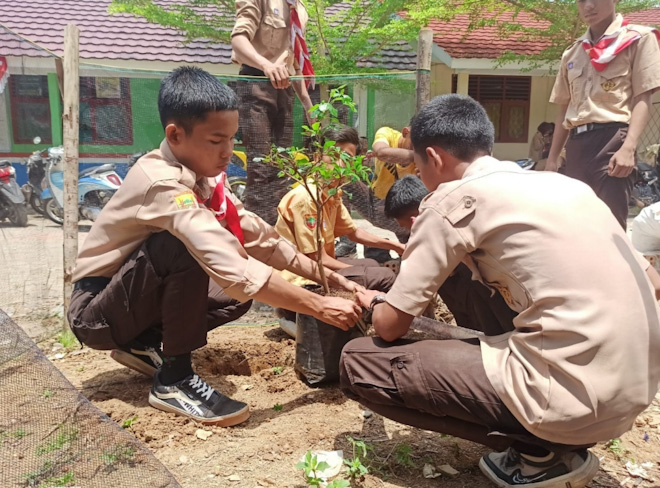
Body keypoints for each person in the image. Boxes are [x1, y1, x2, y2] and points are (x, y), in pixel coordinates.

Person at [341, 94, 660, 488]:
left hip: (570, 405)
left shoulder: (449, 202)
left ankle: (537, 452)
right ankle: (546, 432)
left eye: (417, 168)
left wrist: (374, 304)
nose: (420, 179)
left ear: (432, 158)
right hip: (633, 394)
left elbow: (389, 327)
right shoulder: (567, 187)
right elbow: (654, 282)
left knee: (360, 362)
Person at [67, 67, 361, 427]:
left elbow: (258, 237)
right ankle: (173, 380)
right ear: (175, 134)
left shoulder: (205, 180)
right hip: (95, 312)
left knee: (232, 296)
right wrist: (318, 306)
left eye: (233, 139)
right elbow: (226, 259)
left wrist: (330, 276)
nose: (228, 152)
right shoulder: (163, 183)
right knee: (183, 247)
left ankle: (140, 342)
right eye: (216, 140)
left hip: (128, 299)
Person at [545, 0, 660, 229]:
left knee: (610, 227)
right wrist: (552, 158)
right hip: (576, 145)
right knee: (576, 225)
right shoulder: (573, 52)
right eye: (581, 1)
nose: (588, 6)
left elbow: (642, 98)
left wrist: (628, 147)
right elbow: (563, 109)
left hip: (612, 142)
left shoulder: (638, 39)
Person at [384, 175, 518, 335]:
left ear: (416, 219)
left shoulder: (452, 228)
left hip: (500, 315)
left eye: (407, 226)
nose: (410, 232)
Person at [275, 125, 402, 293]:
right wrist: (356, 269)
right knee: (382, 275)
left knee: (371, 264)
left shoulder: (331, 194)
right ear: (317, 157)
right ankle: (299, 315)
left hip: (318, 268)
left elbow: (353, 232)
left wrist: (397, 246)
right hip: (302, 280)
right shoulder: (307, 199)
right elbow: (316, 258)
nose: (340, 164)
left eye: (347, 159)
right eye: (334, 156)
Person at [231, 0, 315, 225]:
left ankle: (278, 229)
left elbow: (293, 61)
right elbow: (238, 39)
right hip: (255, 80)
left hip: (285, 87)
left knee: (283, 166)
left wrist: (307, 104)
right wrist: (265, 64)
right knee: (260, 164)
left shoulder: (301, 10)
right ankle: (257, 236)